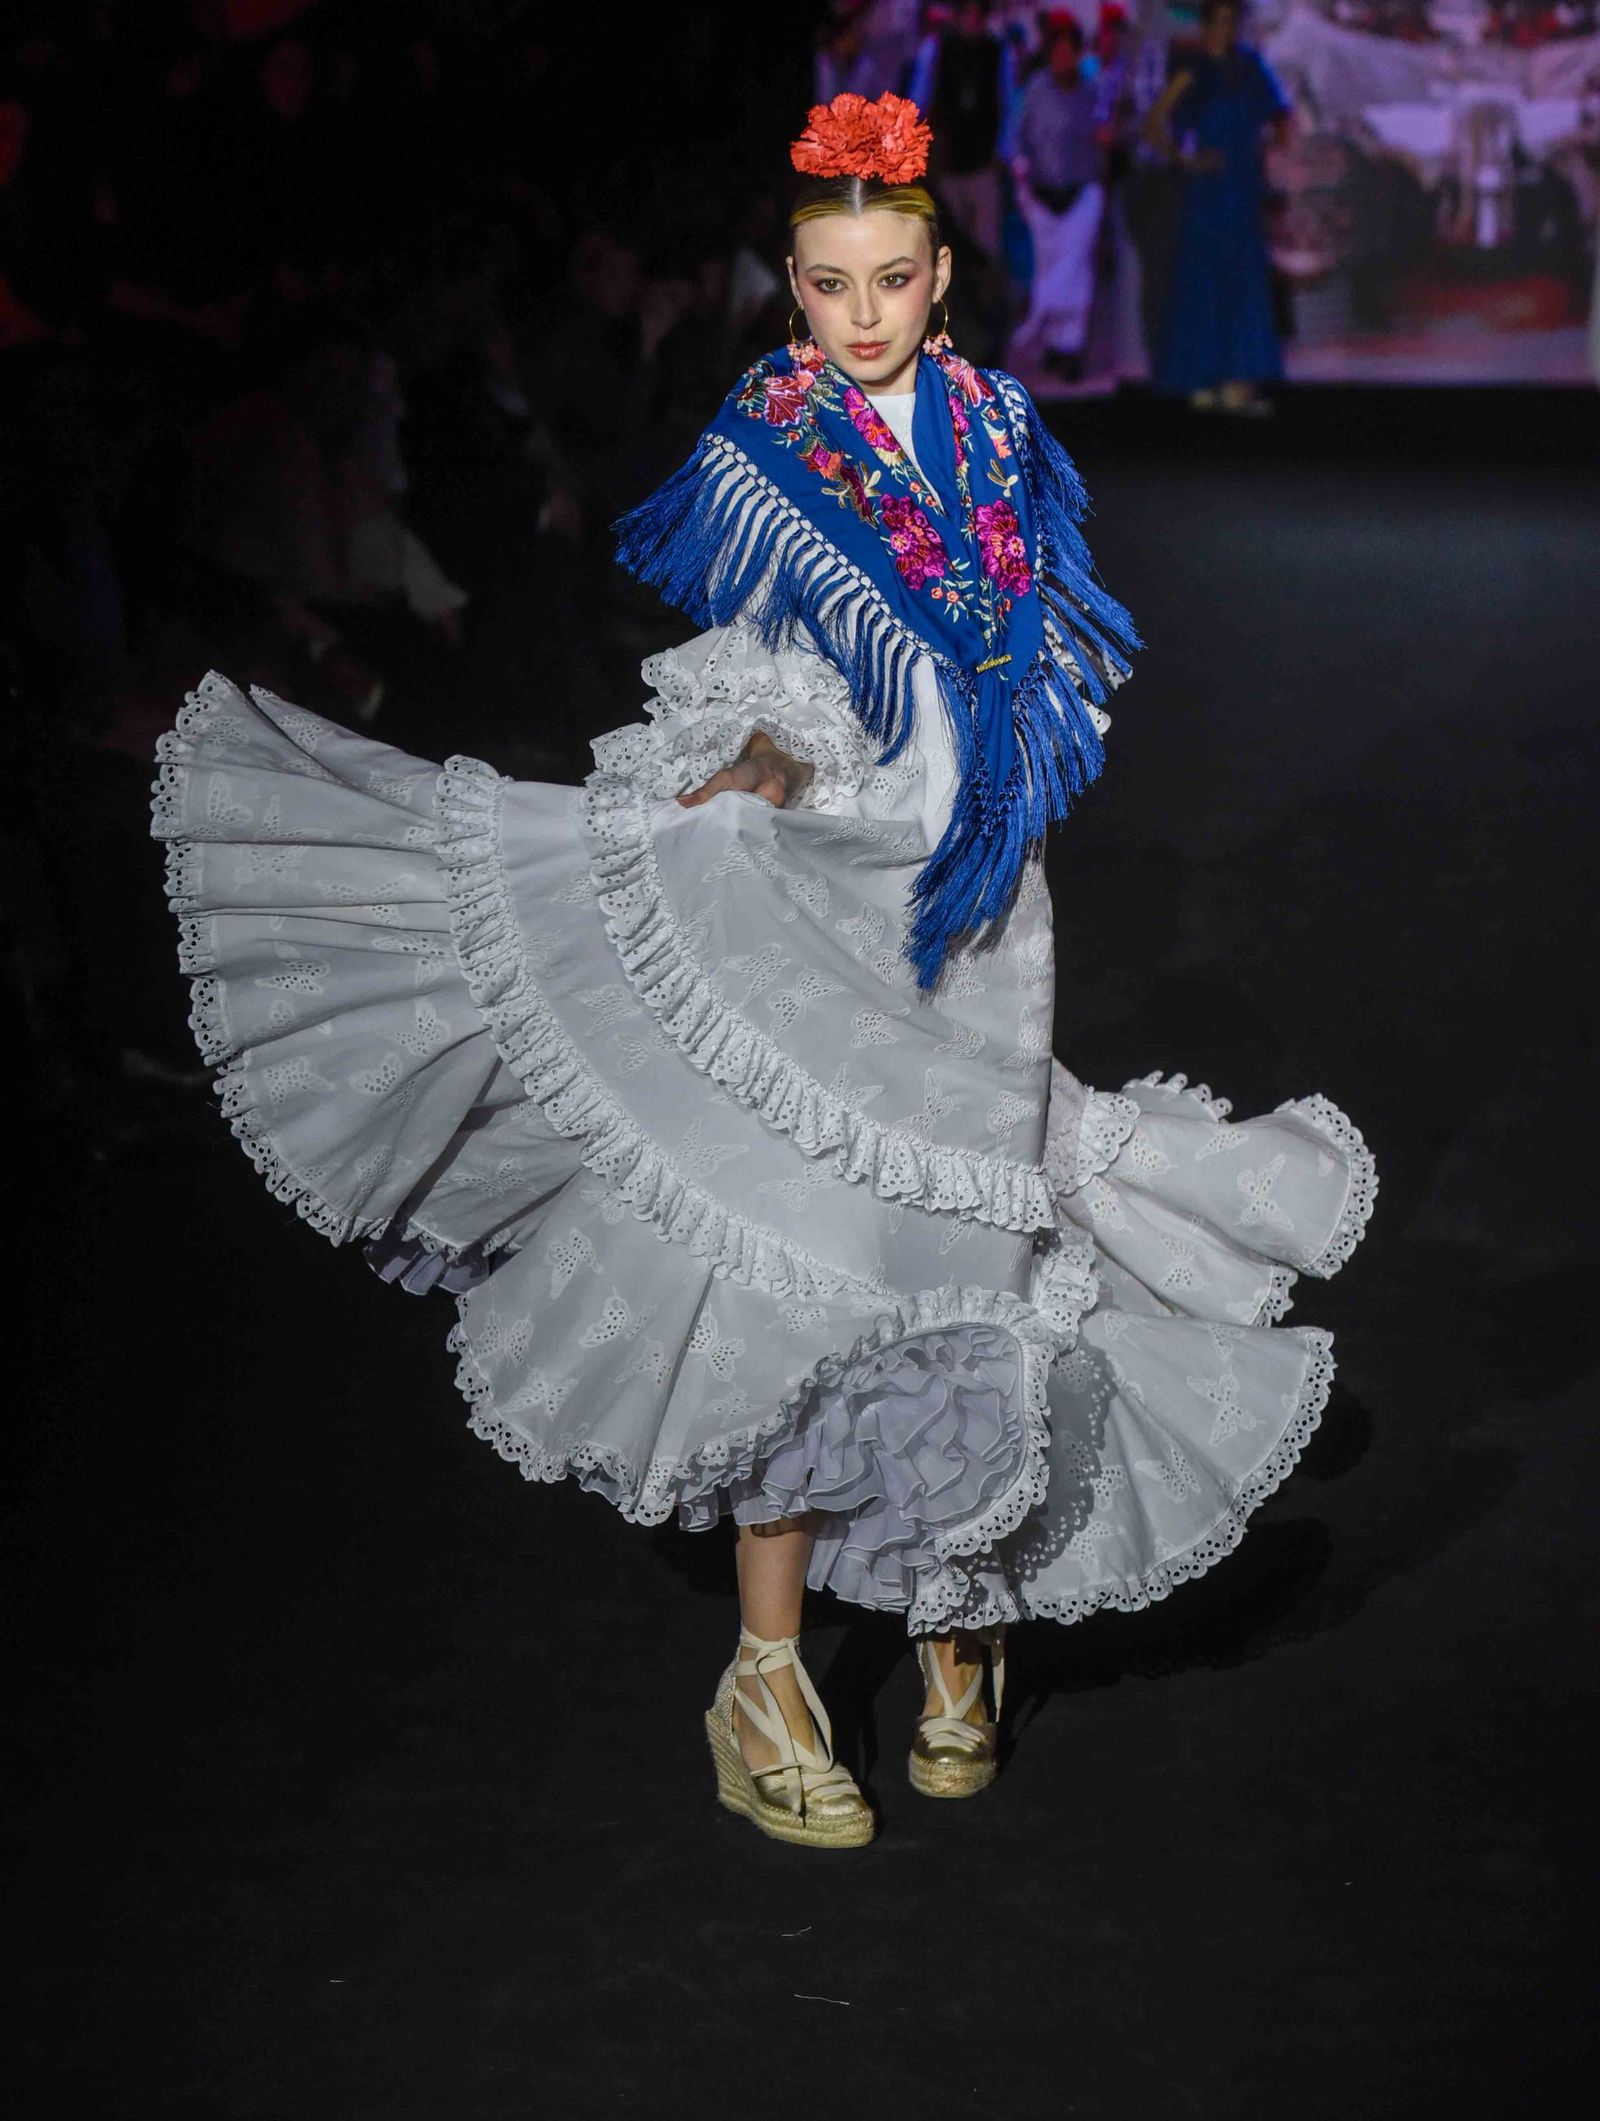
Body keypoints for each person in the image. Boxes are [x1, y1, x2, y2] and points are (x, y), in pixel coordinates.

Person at [150, 90, 1375, 1851]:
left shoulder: (999, 432)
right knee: (802, 1257)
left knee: (969, 1243)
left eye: (889, 277)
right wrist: (778, 763)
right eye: (825, 282)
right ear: (789, 289)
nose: (858, 311)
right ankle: (770, 1674)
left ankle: (962, 1617)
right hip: (818, 885)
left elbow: (1045, 669)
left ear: (942, 275)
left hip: (972, 900)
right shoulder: (773, 433)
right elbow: (751, 655)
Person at [1144, 0, 1292, 414]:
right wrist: (1184, 159)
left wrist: (1276, 153)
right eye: (1219, 21)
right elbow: (1152, 125)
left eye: (1232, 21)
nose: (1225, 29)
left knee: (1243, 280)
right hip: (1207, 193)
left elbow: (1280, 116)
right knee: (1205, 281)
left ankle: (1239, 380)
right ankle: (1204, 378)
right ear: (1207, 24)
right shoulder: (1191, 69)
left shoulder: (1250, 67)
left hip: (1242, 190)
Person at [1012, 20, 1107, 381]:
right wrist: (1023, 181)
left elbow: (1106, 136)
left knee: (1076, 273)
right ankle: (1053, 343)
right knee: (1049, 268)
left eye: (1069, 50)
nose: (1063, 57)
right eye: (1057, 50)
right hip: (1042, 196)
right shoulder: (1035, 89)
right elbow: (1018, 137)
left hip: (1081, 194)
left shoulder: (1092, 92)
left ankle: (1071, 349)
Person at [907, 1, 1019, 261]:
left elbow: (1010, 107)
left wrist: (1002, 155)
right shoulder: (935, 50)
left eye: (978, 11)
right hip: (946, 168)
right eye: (967, 11)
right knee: (946, 253)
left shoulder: (999, 53)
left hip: (984, 169)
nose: (972, 17)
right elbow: (917, 106)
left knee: (986, 254)